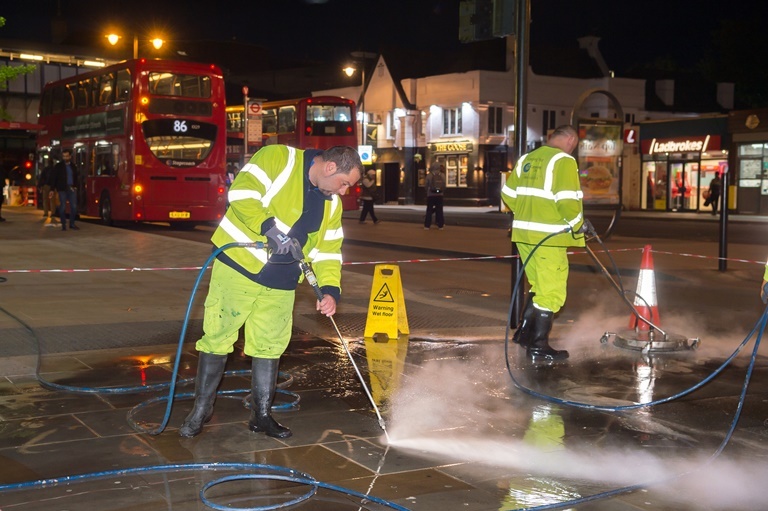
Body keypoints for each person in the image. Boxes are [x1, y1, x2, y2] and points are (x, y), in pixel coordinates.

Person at [179, 144, 363, 438]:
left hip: (283, 280)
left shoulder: (332, 205)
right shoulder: (278, 158)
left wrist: (330, 290)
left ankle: (261, 416)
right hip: (239, 268)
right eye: (344, 183)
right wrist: (269, 228)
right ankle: (201, 410)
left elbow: (329, 251)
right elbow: (242, 193)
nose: (343, 192)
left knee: (270, 344)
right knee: (218, 335)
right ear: (330, 168)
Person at [501, 125, 586, 361]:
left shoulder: (527, 158)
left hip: (525, 237)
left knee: (539, 286)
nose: (573, 150)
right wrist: (579, 224)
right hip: (549, 239)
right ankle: (538, 346)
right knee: (552, 292)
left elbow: (507, 194)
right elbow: (568, 200)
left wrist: (530, 213)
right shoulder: (563, 161)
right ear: (569, 139)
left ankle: (524, 335)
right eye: (574, 145)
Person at [49, 148, 80, 231]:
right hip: (62, 188)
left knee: (74, 206)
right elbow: (54, 178)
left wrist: (75, 186)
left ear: (70, 156)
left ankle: (72, 223)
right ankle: (63, 224)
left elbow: (76, 177)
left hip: (71, 188)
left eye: (67, 156)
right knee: (62, 207)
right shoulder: (58, 166)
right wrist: (52, 189)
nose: (65, 158)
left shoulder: (73, 166)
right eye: (64, 156)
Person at [424, 164, 445, 230]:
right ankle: (440, 225)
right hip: (440, 195)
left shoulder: (429, 175)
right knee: (439, 210)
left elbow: (426, 185)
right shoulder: (442, 175)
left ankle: (427, 226)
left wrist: (427, 191)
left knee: (429, 210)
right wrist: (440, 191)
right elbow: (444, 185)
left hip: (431, 195)